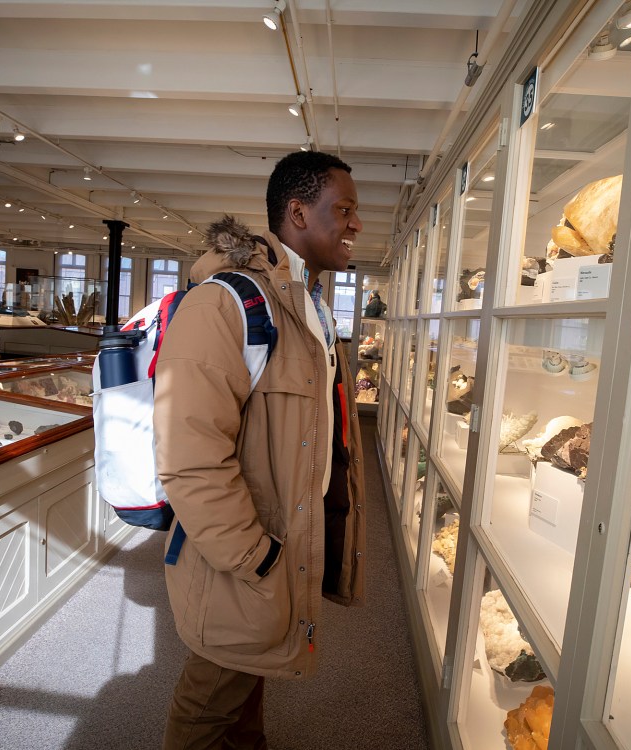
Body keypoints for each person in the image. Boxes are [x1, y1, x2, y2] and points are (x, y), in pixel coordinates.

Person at [154, 150, 367, 749]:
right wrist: (255, 557)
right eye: (344, 210)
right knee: (208, 701)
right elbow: (189, 456)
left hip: (280, 538)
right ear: (297, 212)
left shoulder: (306, 305)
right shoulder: (226, 305)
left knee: (249, 675)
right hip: (247, 553)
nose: (355, 225)